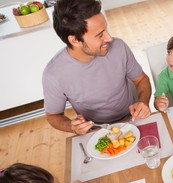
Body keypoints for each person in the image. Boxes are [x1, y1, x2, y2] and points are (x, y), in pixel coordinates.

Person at [43, 0, 152, 135]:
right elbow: (53, 116)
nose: (109, 38)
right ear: (75, 40)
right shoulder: (54, 75)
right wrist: (71, 126)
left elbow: (141, 79)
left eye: (106, 30)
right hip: (95, 131)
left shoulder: (119, 47)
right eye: (100, 35)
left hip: (132, 119)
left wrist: (143, 102)